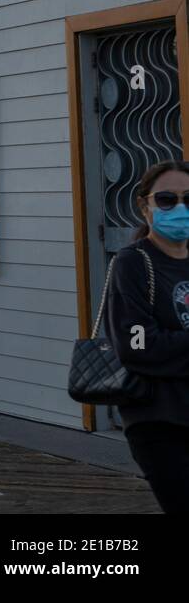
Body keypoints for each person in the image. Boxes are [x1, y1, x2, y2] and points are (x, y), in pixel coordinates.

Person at [105, 159, 189, 513]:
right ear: (145, 205)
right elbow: (138, 346)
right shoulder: (132, 263)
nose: (180, 208)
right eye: (167, 199)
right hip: (161, 424)